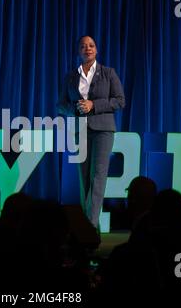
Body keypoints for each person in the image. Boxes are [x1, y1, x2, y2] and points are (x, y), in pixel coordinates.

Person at [57, 36, 125, 229]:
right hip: (81, 130)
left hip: (103, 130)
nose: (88, 49)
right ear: (79, 51)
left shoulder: (108, 73)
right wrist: (75, 109)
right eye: (83, 46)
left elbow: (120, 100)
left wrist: (94, 104)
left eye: (91, 45)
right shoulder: (71, 76)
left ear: (96, 50)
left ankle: (90, 226)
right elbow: (60, 105)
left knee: (98, 176)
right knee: (84, 179)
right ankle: (88, 226)